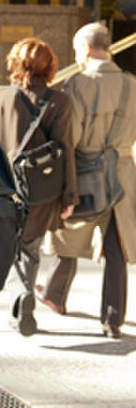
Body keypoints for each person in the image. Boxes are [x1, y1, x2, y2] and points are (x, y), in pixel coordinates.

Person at [41, 22, 136, 339]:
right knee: (115, 246)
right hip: (122, 171)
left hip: (85, 168)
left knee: (68, 228)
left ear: (84, 47)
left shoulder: (78, 84)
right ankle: (113, 320)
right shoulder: (132, 84)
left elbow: (75, 136)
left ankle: (55, 295)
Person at [0, 37, 77, 336]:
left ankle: (20, 298)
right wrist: (69, 195)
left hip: (2, 187)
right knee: (30, 249)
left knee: (9, 245)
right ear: (50, 67)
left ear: (15, 63)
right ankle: (24, 301)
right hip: (41, 190)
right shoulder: (60, 101)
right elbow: (65, 150)